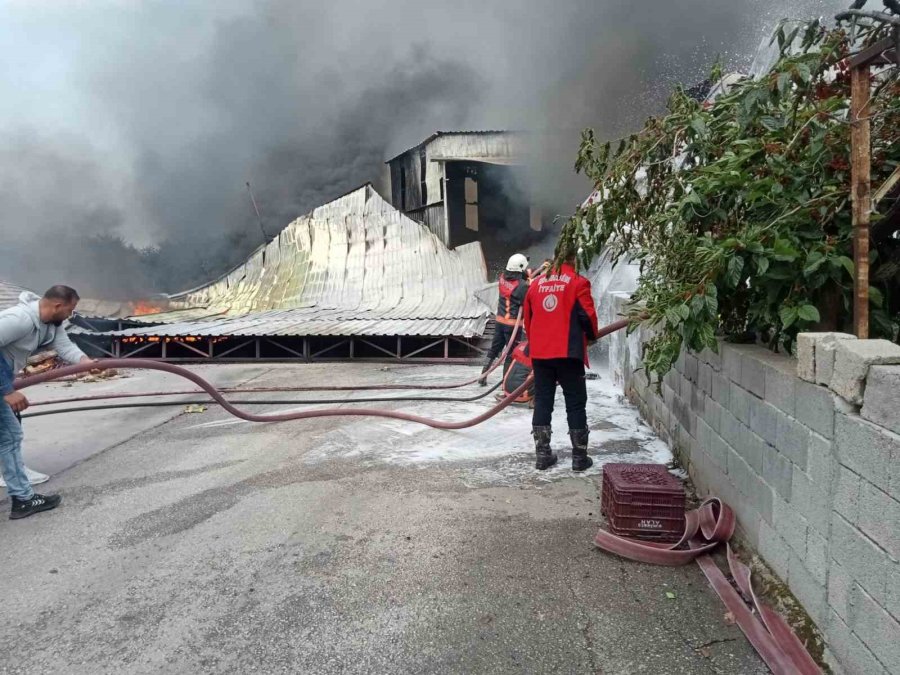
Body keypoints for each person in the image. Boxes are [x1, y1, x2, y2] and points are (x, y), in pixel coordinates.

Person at [0, 285, 94, 519]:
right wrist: (6, 391)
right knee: (10, 436)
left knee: (8, 435)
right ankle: (23, 500)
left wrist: (84, 361)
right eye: (70, 310)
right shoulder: (19, 320)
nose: (71, 315)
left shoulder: (51, 324)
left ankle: (22, 496)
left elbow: (64, 346)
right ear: (58, 306)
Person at [523, 245, 599, 471]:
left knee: (543, 400)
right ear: (573, 259)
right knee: (575, 403)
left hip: (541, 353)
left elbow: (529, 320)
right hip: (568, 353)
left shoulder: (536, 284)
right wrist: (592, 337)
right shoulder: (578, 282)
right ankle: (579, 458)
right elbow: (588, 316)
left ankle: (543, 455)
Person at [478, 253, 530, 386]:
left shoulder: (502, 278)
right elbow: (527, 300)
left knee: (494, 349)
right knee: (512, 354)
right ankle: (506, 383)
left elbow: (518, 278)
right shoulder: (522, 286)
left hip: (500, 322)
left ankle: (483, 376)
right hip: (512, 326)